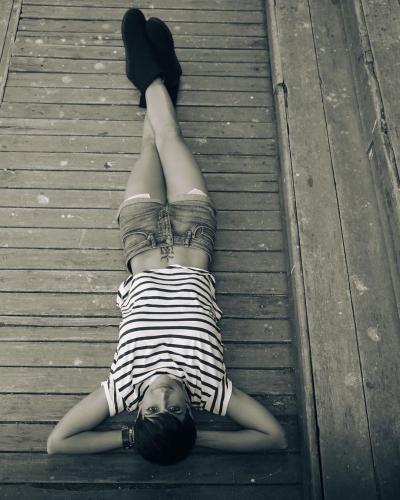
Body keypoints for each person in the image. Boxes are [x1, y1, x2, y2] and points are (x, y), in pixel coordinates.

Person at [46, 8, 287, 464]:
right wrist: (195, 438)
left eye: (153, 409)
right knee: (170, 135)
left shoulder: (122, 389)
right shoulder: (212, 390)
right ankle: (154, 75)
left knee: (149, 144)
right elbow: (273, 437)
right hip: (193, 235)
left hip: (141, 238)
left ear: (138, 414)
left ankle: (155, 76)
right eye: (175, 410)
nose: (163, 395)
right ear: (190, 415)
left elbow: (58, 443)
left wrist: (130, 438)